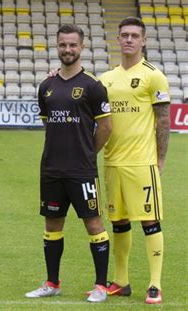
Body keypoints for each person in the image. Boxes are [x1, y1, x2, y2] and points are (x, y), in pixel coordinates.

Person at [24, 24, 112, 303]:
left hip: (82, 171)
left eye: (73, 45)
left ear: (81, 47)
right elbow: (49, 125)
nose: (68, 50)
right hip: (51, 169)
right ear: (57, 46)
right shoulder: (46, 86)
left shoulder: (93, 86)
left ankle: (100, 286)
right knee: (52, 224)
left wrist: (87, 154)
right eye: (63, 45)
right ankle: (52, 283)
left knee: (94, 224)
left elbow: (107, 128)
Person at [99, 17, 170, 305]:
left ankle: (155, 284)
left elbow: (163, 120)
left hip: (142, 163)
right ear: (118, 40)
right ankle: (121, 281)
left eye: (134, 35)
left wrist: (160, 159)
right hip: (113, 163)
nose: (128, 39)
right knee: (119, 222)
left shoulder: (154, 75)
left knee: (150, 221)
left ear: (143, 41)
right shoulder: (106, 79)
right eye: (124, 35)